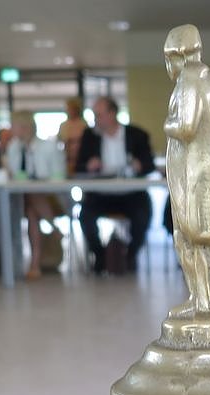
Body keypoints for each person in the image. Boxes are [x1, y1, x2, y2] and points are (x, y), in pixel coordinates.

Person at [164, 23, 210, 317]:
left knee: (193, 237)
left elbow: (186, 127)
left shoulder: (190, 79)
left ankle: (203, 301)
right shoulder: (204, 80)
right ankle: (204, 299)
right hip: (200, 168)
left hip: (195, 172)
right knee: (201, 240)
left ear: (178, 55)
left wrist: (166, 124)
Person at [75, 96, 156, 274]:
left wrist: (140, 165)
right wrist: (88, 165)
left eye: (99, 115)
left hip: (131, 193)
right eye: (94, 115)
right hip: (100, 194)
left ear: (112, 114)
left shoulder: (137, 135)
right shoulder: (90, 136)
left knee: (143, 214)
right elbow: (78, 166)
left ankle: (130, 255)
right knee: (85, 216)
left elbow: (149, 164)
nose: (96, 119)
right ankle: (100, 256)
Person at [5, 109, 64, 280]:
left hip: (52, 197)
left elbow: (58, 175)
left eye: (14, 126)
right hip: (23, 199)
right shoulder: (14, 148)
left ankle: (35, 264)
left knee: (33, 202)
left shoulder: (49, 147)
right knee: (31, 206)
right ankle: (53, 229)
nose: (12, 129)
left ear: (25, 126)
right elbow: (14, 176)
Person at [60, 97, 88, 176]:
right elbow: (62, 141)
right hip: (67, 158)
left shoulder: (83, 124)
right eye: (68, 109)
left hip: (82, 158)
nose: (70, 111)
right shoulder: (64, 125)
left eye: (72, 109)